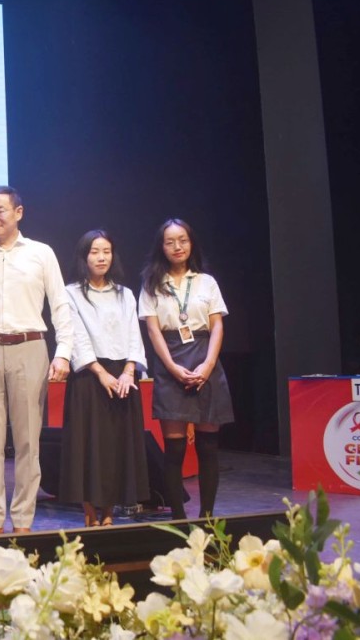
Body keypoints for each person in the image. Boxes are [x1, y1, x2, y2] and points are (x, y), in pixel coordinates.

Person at [0, 185, 74, 534]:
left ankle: (23, 519)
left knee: (27, 442)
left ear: (18, 212)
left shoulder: (41, 253)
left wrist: (64, 351)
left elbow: (60, 305)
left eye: (0, 210)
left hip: (30, 348)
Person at [139, 218, 234, 519]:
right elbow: (154, 332)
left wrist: (207, 365)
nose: (177, 246)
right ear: (161, 247)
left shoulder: (207, 282)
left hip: (206, 359)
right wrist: (171, 367)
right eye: (170, 241)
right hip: (171, 362)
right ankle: (178, 519)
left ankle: (207, 517)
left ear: (191, 243)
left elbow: (217, 326)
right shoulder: (152, 284)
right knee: (175, 450)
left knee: (207, 448)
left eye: (183, 240)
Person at [58, 230, 149, 527]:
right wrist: (100, 373)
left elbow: (134, 335)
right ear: (84, 256)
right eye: (95, 251)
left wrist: (128, 371)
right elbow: (76, 337)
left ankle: (109, 512)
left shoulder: (125, 294)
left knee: (115, 447)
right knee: (88, 446)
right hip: (89, 377)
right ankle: (90, 513)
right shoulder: (70, 293)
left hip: (123, 377)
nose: (101, 257)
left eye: (106, 251)